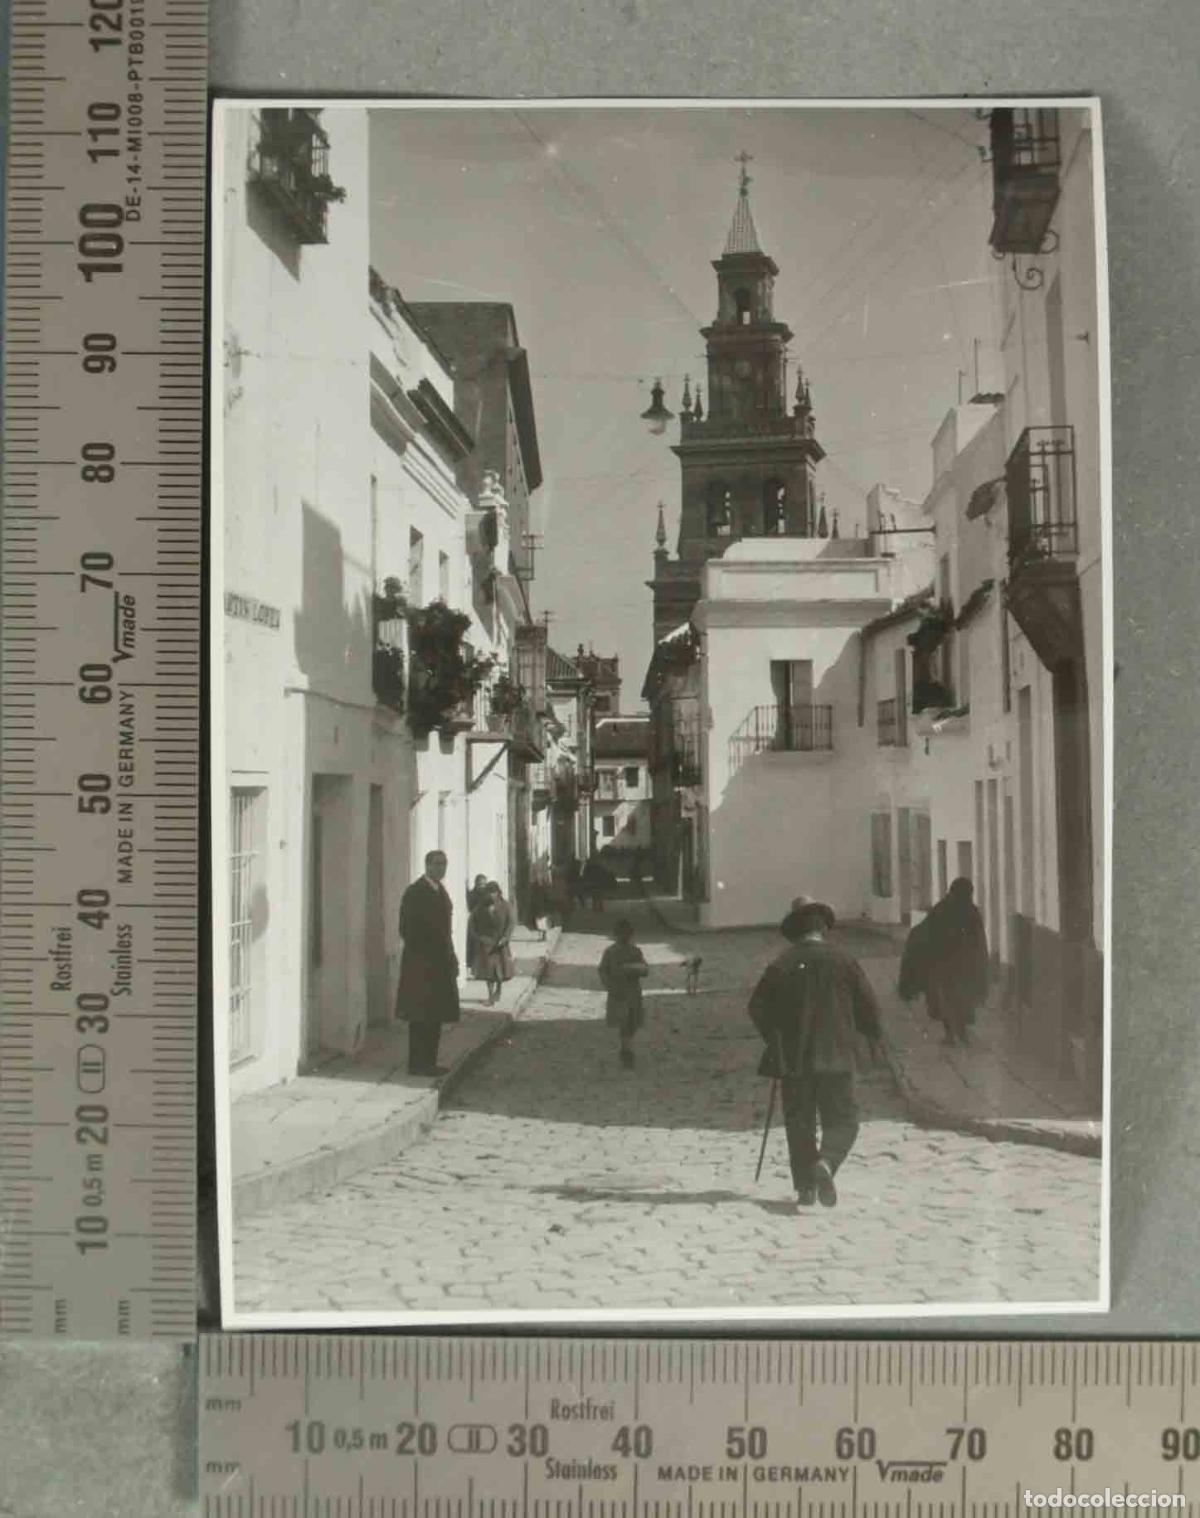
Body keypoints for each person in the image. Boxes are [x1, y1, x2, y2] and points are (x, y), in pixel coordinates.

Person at [748, 896, 884, 1209]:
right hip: (837, 1057)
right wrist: (869, 1035)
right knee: (844, 1120)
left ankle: (806, 1188)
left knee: (800, 1123)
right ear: (823, 928)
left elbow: (756, 1007)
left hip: (796, 1061)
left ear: (795, 931)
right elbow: (870, 1009)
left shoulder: (782, 964)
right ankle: (827, 1162)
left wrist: (776, 1038)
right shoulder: (844, 961)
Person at [898, 876, 989, 1046]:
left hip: (945, 966)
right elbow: (979, 942)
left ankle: (951, 1035)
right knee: (961, 1001)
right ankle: (960, 1034)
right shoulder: (971, 911)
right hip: (962, 968)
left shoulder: (943, 908)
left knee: (947, 1001)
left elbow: (924, 932)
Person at [396, 849, 460, 1076]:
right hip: (421, 965)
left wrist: (449, 956)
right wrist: (428, 951)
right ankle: (417, 1064)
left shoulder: (440, 891)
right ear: (427, 866)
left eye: (444, 864)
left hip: (439, 964)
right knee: (420, 1016)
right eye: (437, 864)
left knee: (435, 1015)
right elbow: (406, 928)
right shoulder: (416, 892)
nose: (441, 868)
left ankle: (429, 1062)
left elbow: (445, 929)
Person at [598, 917, 650, 1069]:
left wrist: (635, 968)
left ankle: (626, 1044)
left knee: (632, 1021)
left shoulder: (635, 951)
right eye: (620, 934)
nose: (623, 937)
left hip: (632, 991)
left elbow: (645, 969)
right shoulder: (610, 952)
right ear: (615, 935)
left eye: (626, 934)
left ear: (631, 934)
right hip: (617, 992)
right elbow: (602, 970)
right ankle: (626, 1049)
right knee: (624, 1021)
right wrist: (608, 985)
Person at [469, 880, 515, 1005]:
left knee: (500, 971)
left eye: (493, 892)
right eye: (489, 893)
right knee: (488, 972)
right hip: (486, 944)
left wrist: (505, 937)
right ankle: (490, 996)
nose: (491, 895)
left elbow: (511, 923)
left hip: (500, 944)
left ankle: (498, 991)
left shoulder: (505, 906)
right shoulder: (480, 907)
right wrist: (478, 937)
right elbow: (472, 923)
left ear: (498, 893)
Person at [465, 873, 490, 971]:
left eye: (484, 884)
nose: (482, 886)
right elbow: (470, 907)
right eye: (480, 884)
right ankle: (474, 967)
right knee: (474, 947)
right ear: (476, 884)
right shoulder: (472, 894)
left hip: (485, 923)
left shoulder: (487, 895)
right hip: (475, 923)